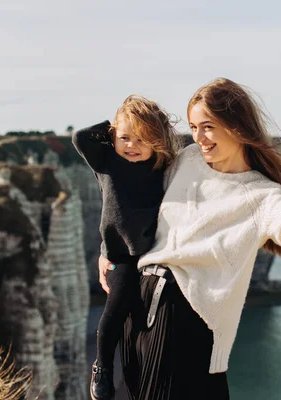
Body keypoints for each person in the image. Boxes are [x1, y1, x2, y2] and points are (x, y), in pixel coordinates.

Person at [99, 78, 281, 400]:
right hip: (138, 304)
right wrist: (109, 250)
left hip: (186, 316)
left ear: (236, 126)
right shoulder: (187, 160)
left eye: (208, 126)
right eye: (193, 126)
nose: (199, 137)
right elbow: (134, 205)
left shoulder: (261, 195)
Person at [72, 95, 179, 400]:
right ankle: (103, 367)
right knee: (116, 307)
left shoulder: (162, 167)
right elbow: (80, 138)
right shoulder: (106, 162)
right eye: (125, 137)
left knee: (143, 319)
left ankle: (143, 374)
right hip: (119, 256)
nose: (132, 144)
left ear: (156, 140)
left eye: (142, 138)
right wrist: (116, 123)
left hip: (154, 254)